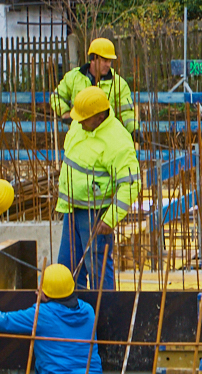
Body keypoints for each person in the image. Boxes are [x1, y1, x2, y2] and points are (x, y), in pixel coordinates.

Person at [57, 85, 141, 290]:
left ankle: (104, 314)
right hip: (71, 209)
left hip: (95, 214)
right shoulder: (81, 125)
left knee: (98, 271)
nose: (79, 121)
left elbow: (131, 185)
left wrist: (109, 218)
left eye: (84, 118)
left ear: (100, 116)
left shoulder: (118, 141)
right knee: (67, 271)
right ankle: (73, 316)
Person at [52, 37, 138, 133]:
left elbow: (126, 112)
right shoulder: (73, 78)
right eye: (105, 60)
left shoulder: (119, 84)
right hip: (80, 135)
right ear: (93, 59)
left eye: (110, 61)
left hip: (106, 138)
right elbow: (56, 97)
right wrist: (65, 112)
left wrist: (133, 130)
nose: (108, 65)